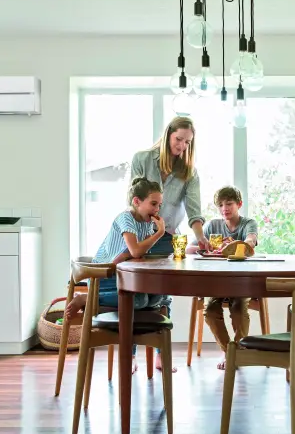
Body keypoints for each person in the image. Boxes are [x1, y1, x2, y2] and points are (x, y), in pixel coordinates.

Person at [65, 177, 173, 374]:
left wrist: (135, 250)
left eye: (159, 204)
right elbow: (136, 250)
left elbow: (134, 253)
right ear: (137, 201)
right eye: (153, 204)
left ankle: (160, 353)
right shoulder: (126, 218)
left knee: (162, 297)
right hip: (103, 277)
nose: (157, 209)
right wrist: (159, 233)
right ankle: (87, 298)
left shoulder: (146, 223)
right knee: (138, 301)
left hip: (123, 276)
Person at [196, 186, 258, 370]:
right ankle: (230, 353)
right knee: (210, 310)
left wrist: (233, 245)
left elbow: (250, 241)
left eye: (229, 203)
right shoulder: (212, 225)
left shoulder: (248, 223)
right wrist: (205, 247)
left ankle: (238, 352)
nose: (225, 208)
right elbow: (192, 248)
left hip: (241, 282)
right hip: (217, 282)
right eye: (221, 205)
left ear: (239, 204)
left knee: (238, 309)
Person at [130, 116, 209, 255]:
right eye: (178, 139)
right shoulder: (141, 159)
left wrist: (201, 238)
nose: (182, 145)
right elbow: (134, 199)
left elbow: (194, 212)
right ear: (168, 135)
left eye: (187, 142)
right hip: (139, 234)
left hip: (167, 238)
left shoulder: (190, 173)